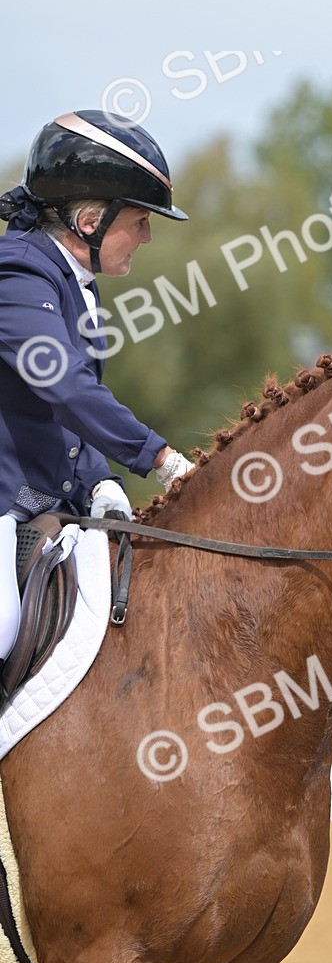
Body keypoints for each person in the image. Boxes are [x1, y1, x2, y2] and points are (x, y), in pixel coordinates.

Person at [0, 110, 195, 663]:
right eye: (140, 221)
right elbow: (63, 386)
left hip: (40, 504)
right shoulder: (16, 273)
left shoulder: (73, 283)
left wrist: (98, 481)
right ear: (90, 219)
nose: (148, 237)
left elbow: (64, 414)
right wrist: (157, 456)